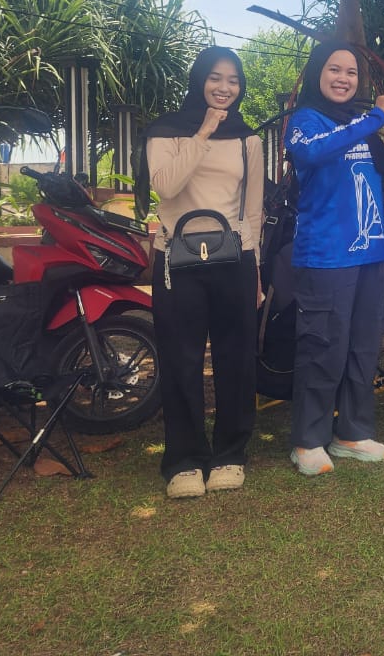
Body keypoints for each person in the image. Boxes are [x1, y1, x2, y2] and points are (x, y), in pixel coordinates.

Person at [139, 46, 263, 499]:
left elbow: (252, 209)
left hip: (234, 258)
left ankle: (231, 452)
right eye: (215, 77)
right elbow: (166, 186)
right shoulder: (166, 131)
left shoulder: (248, 139)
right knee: (181, 359)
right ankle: (184, 459)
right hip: (177, 259)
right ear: (199, 80)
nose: (224, 88)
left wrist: (256, 270)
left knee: (236, 358)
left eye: (233, 80)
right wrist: (205, 130)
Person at [285, 41, 384, 476]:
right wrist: (374, 118)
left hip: (369, 252)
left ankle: (352, 432)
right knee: (323, 346)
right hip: (325, 255)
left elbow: (372, 189)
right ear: (318, 72)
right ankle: (308, 440)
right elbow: (313, 152)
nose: (343, 78)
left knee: (364, 345)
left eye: (351, 72)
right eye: (334, 69)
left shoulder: (360, 124)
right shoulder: (305, 121)